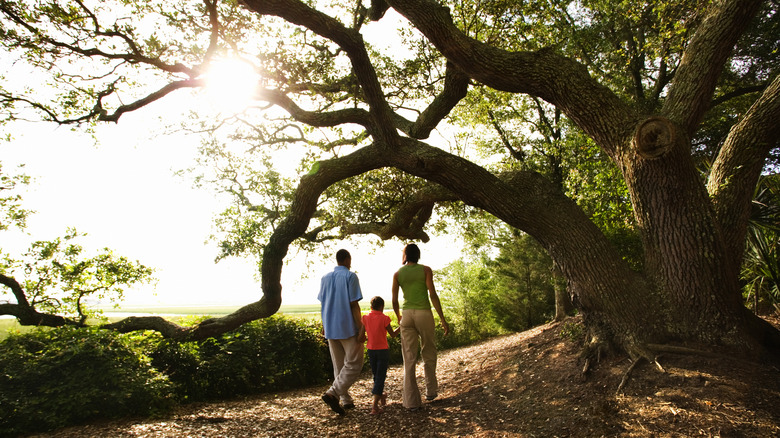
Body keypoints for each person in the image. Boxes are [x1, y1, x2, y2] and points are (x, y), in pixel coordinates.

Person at [392, 243, 450, 411]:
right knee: (428, 350)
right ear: (418, 255)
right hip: (424, 313)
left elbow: (395, 301)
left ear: (405, 256)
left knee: (409, 358)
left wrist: (399, 317)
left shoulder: (397, 274)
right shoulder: (426, 270)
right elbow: (432, 294)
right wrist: (442, 319)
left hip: (407, 315)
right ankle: (431, 391)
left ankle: (411, 402)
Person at [318, 249, 364, 415]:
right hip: (347, 326)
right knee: (355, 362)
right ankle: (333, 393)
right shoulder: (350, 276)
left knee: (338, 365)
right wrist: (360, 326)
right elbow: (353, 304)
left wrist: (324, 324)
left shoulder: (325, 278)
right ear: (347, 259)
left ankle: (345, 401)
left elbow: (323, 304)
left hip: (330, 326)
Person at [358, 296, 400, 415]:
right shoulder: (384, 318)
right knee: (380, 376)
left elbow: (361, 337)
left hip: (371, 350)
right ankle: (375, 407)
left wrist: (365, 337)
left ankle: (381, 396)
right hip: (382, 350)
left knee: (376, 375)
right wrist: (401, 326)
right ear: (382, 306)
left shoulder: (365, 318)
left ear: (371, 306)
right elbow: (392, 334)